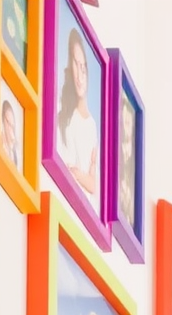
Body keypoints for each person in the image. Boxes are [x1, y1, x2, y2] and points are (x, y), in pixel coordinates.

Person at [56, 27, 98, 211]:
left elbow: (93, 185)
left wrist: (80, 175)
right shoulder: (61, 110)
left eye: (84, 68)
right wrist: (83, 176)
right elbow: (66, 170)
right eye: (75, 64)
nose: (80, 76)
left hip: (80, 211)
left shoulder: (91, 125)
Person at [118, 92, 135, 221]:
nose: (124, 127)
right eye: (122, 122)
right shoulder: (117, 154)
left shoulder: (133, 163)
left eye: (127, 122)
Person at [1, 98, 20, 168]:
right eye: (8, 123)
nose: (10, 129)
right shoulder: (0, 143)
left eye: (12, 126)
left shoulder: (14, 147)